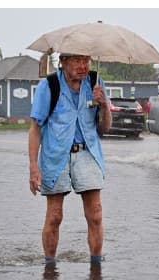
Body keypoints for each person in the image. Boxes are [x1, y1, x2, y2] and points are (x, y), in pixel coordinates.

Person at [28, 52, 111, 266]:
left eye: (86, 60)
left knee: (96, 214)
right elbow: (35, 128)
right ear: (63, 61)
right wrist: (33, 167)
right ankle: (49, 267)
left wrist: (104, 105)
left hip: (88, 153)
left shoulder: (95, 82)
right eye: (76, 60)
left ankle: (96, 266)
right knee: (55, 215)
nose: (82, 65)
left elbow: (105, 128)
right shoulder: (49, 86)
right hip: (56, 156)